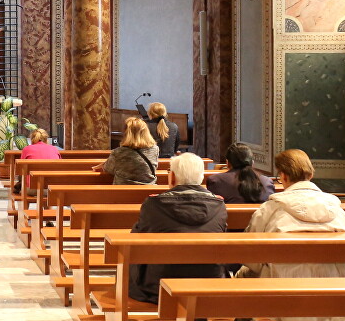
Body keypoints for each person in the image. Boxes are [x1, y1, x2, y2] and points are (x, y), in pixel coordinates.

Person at [235, 148, 345, 321]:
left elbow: (251, 252)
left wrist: (265, 267)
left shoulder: (272, 207)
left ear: (283, 176)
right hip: (329, 284)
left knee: (244, 276)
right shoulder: (337, 209)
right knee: (301, 270)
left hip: (282, 285)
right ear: (311, 175)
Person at [128, 153, 227, 303]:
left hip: (158, 285)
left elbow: (136, 239)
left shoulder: (153, 204)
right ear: (201, 177)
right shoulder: (219, 206)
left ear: (172, 177)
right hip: (209, 281)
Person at [94, 117, 160, 184]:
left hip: (122, 189)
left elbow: (108, 169)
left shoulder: (118, 152)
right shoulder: (155, 149)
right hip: (148, 188)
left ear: (126, 133)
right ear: (146, 132)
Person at [206, 142, 275, 204]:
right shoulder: (267, 182)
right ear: (252, 163)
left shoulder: (215, 181)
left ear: (227, 163)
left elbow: (213, 207)